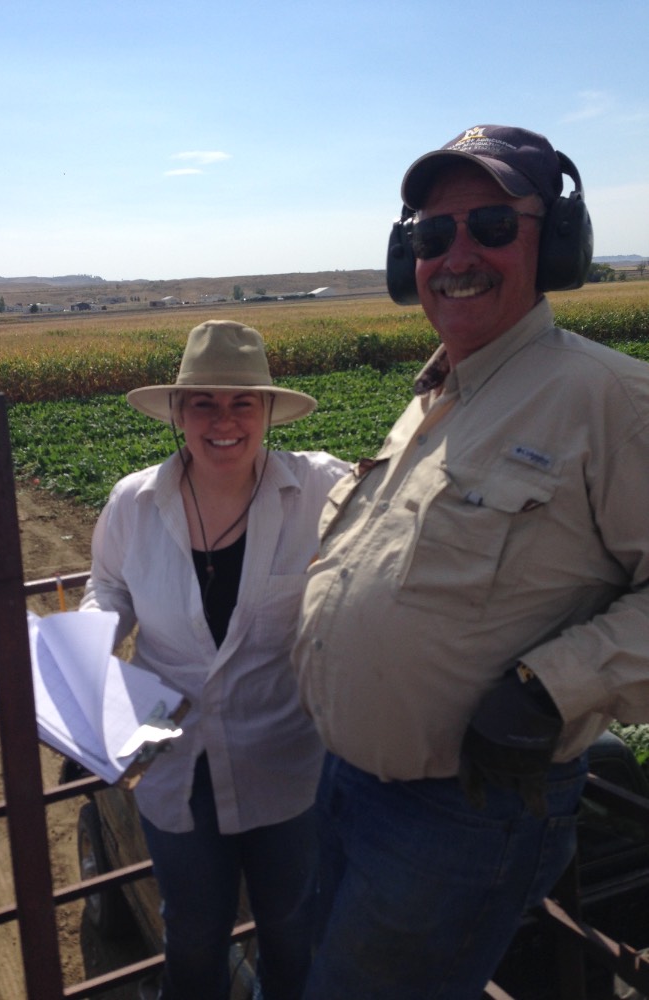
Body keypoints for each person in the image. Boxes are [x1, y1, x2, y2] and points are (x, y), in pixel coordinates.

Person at [292, 124, 649, 999]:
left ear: (557, 242)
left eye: (492, 224)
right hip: (340, 784)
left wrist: (552, 686)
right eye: (431, 232)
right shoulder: (436, 396)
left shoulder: (606, 398)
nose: (457, 253)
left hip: (460, 817)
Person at [79, 319, 350, 1000]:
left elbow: (397, 533)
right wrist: (90, 639)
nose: (222, 420)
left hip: (285, 760)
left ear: (266, 412)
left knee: (291, 930)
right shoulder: (134, 503)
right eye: (203, 402)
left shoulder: (318, 491)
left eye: (241, 403)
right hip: (173, 762)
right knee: (193, 932)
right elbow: (107, 586)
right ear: (177, 412)